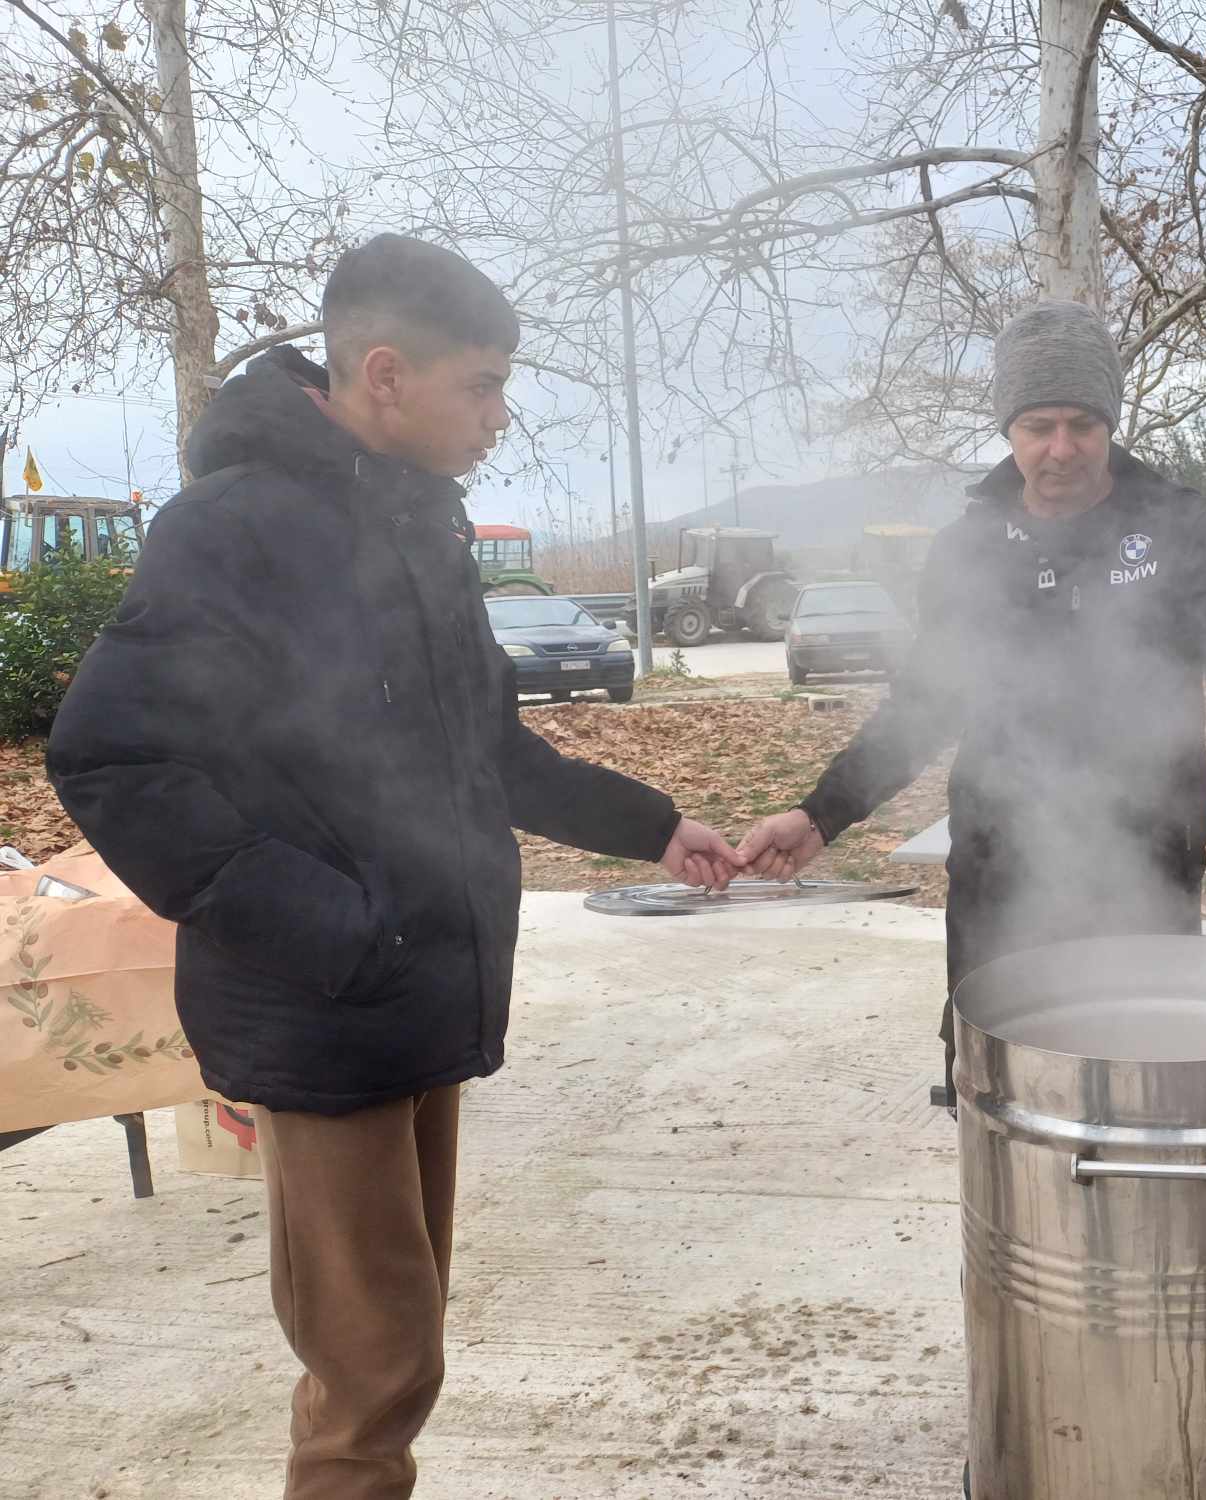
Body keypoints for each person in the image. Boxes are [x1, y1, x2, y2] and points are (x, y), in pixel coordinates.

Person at [46, 234, 742, 1500]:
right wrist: (332, 927)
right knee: (375, 1370)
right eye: (480, 386)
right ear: (383, 374)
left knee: (387, 1346)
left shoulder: (419, 521)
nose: (499, 415)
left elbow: (485, 747)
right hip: (325, 1005)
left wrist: (654, 825)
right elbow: (110, 760)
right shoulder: (234, 529)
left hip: (417, 987)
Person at [736, 301, 1206, 1095]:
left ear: (1110, 422)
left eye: (1082, 423)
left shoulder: (1181, 528)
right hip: (997, 870)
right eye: (1038, 425)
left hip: (1145, 861)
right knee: (1002, 1101)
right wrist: (819, 814)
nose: (1060, 449)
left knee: (1141, 1088)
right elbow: (921, 706)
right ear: (1007, 429)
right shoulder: (966, 551)